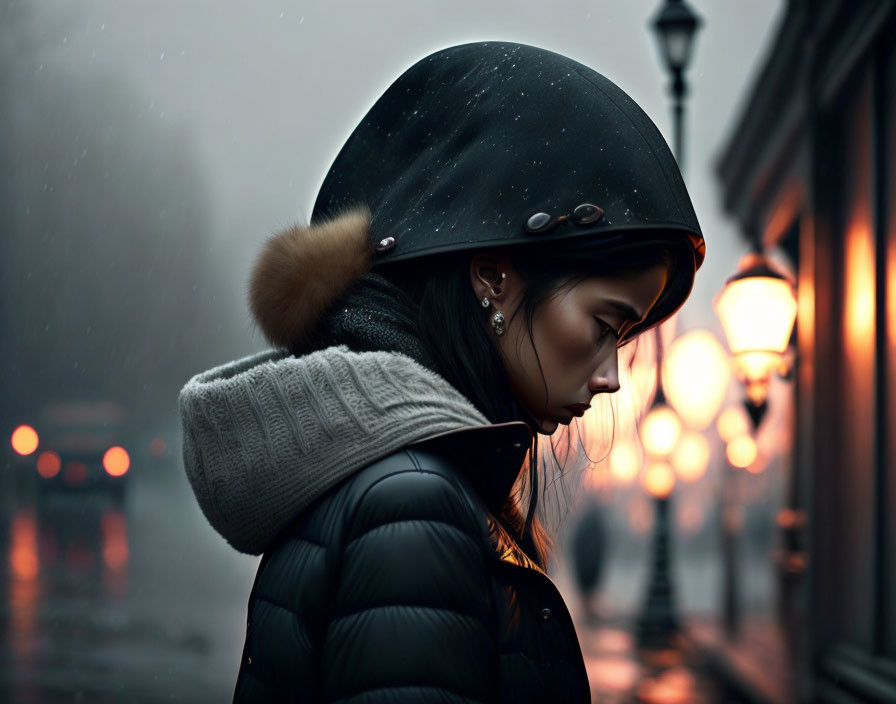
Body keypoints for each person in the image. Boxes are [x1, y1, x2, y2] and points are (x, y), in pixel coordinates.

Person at [178, 41, 704, 703]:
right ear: (493, 277)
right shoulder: (412, 503)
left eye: (624, 341)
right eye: (604, 326)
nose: (611, 379)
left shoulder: (387, 481)